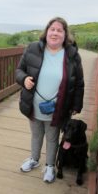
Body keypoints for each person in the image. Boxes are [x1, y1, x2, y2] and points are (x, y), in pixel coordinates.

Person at [15, 17, 84, 183]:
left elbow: (79, 83)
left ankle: (50, 166)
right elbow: (19, 70)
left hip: (58, 107)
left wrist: (76, 105)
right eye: (52, 29)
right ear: (46, 31)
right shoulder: (32, 49)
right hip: (33, 104)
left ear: (65, 35)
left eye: (59, 30)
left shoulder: (72, 55)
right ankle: (34, 159)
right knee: (36, 134)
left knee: (52, 137)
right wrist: (24, 79)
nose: (55, 33)